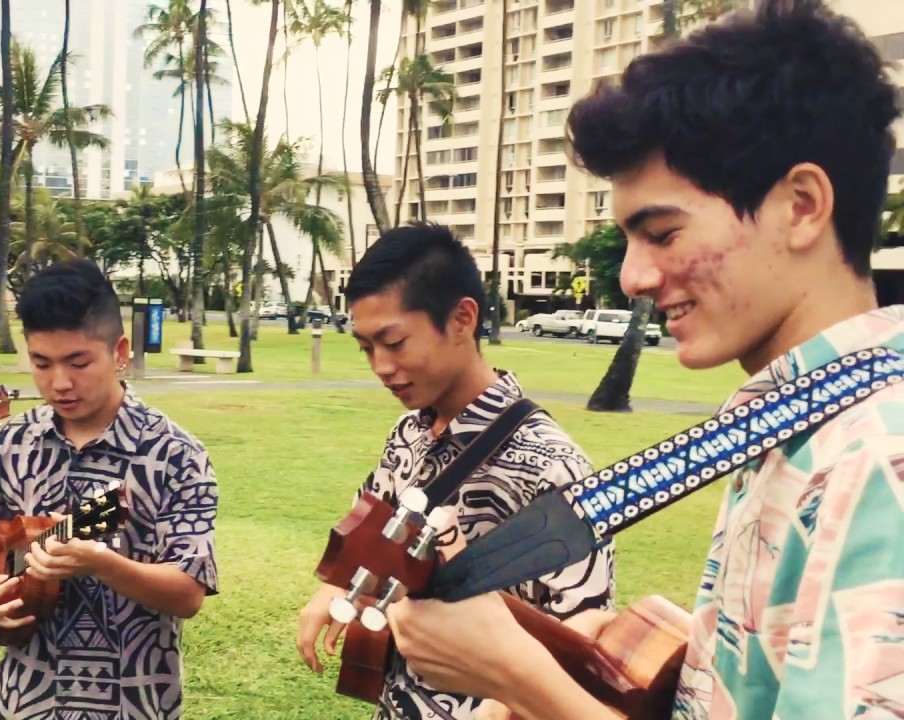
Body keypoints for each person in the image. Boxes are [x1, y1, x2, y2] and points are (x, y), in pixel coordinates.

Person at [382, 2, 904, 719]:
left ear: (802, 205)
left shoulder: (880, 461)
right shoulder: (800, 421)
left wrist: (521, 681)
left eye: (662, 232)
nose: (632, 277)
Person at [295, 224, 616, 720]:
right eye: (366, 348)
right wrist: (334, 588)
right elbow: (375, 528)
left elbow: (585, 630)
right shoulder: (409, 432)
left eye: (394, 342)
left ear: (463, 319)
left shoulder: (553, 466)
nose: (380, 366)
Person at [0, 259, 219, 719]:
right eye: (41, 364)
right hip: (22, 700)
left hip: (131, 702)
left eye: (78, 362)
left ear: (119, 351)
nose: (59, 383)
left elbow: (188, 592)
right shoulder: (10, 443)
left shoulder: (175, 454)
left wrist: (103, 564)